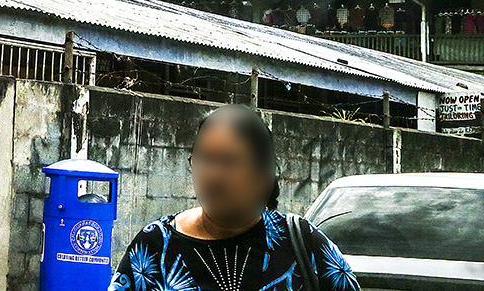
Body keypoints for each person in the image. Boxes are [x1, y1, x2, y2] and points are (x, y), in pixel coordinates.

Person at [110, 105, 359, 291]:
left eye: (229, 161)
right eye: (204, 160)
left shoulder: (302, 242)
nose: (214, 175)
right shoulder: (154, 245)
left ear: (263, 172)